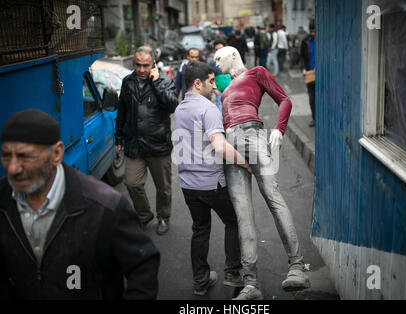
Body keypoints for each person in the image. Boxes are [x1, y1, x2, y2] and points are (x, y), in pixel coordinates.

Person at [0, 109, 160, 299]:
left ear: (57, 153)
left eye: (25, 157)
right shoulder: (3, 201)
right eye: (6, 156)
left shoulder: (106, 206)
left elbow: (143, 265)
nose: (12, 168)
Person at [214, 46, 310, 300]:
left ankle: (298, 267)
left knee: (272, 197)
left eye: (218, 57)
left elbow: (285, 100)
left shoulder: (256, 73)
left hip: (252, 133)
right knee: (243, 214)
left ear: (234, 55)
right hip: (231, 145)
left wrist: (279, 128)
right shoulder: (223, 92)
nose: (215, 63)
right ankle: (251, 283)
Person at [173, 61, 251, 296]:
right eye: (210, 81)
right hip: (211, 184)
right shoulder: (208, 109)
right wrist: (245, 163)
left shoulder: (179, 109)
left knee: (200, 229)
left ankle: (201, 281)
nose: (215, 87)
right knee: (233, 221)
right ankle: (233, 274)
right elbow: (220, 146)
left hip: (188, 185)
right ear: (197, 83)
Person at [115, 46, 178, 235]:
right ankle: (144, 216)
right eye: (138, 65)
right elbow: (122, 111)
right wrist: (118, 137)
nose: (141, 70)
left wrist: (157, 82)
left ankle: (163, 217)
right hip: (134, 144)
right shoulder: (127, 82)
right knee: (132, 184)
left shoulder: (165, 81)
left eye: (145, 65)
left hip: (158, 144)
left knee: (163, 188)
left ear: (153, 65)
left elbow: (172, 105)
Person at [299, 21, 316, 127]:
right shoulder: (305, 41)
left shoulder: (323, 40)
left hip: (321, 74)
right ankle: (314, 118)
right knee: (312, 97)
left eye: (314, 31)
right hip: (310, 75)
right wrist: (303, 68)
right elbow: (302, 57)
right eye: (311, 31)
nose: (313, 33)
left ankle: (323, 117)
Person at [209, 40, 226, 112]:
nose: (219, 51)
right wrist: (216, 90)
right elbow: (210, 78)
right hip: (220, 94)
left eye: (221, 49)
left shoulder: (231, 60)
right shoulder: (212, 63)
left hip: (232, 93)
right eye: (216, 49)